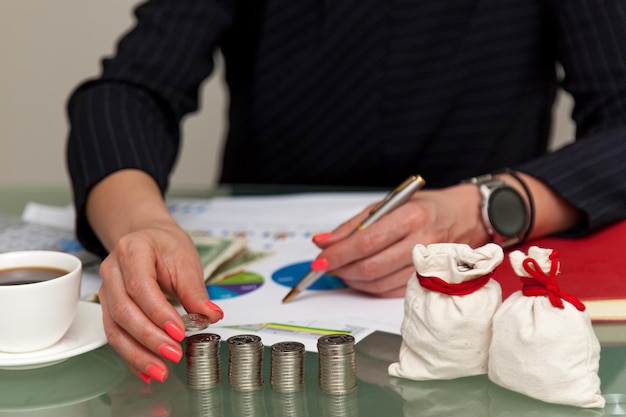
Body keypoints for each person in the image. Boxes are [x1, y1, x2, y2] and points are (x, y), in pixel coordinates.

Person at [66, 0, 626, 383]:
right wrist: (143, 224)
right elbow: (128, 93)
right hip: (272, 344)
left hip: (478, 291)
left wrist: (487, 207)